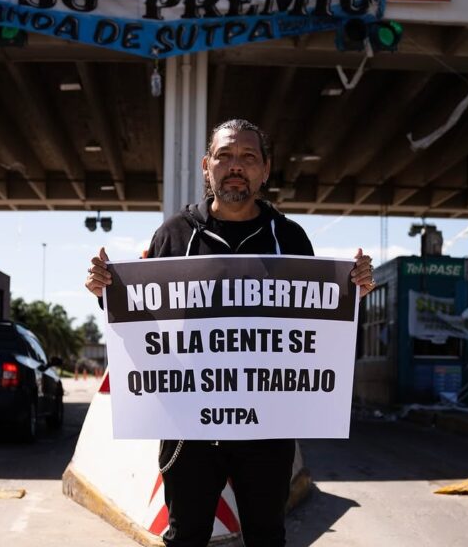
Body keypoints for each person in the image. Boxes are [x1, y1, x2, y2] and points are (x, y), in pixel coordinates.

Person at [85, 118, 375, 547]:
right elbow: (144, 324)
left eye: (247, 157)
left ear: (265, 169)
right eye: (225, 156)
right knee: (186, 537)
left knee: (266, 537)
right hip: (189, 431)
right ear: (207, 166)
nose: (235, 166)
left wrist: (353, 294)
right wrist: (105, 293)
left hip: (268, 430)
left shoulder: (289, 239)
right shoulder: (174, 235)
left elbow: (313, 330)